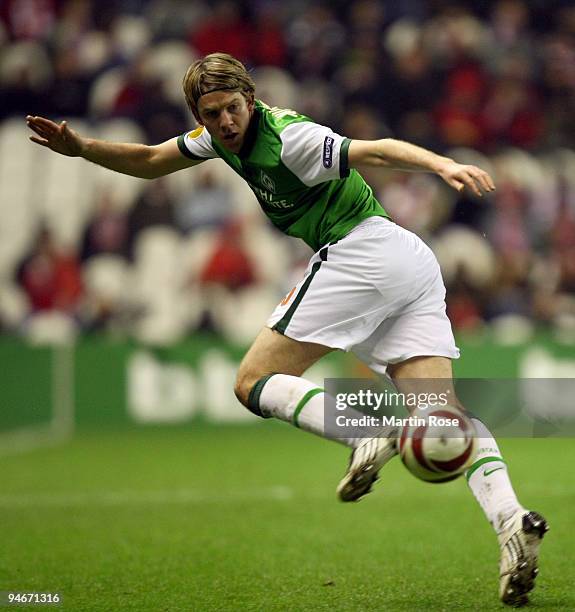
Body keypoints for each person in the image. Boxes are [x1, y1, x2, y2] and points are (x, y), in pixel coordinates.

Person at [26, 52, 547, 607]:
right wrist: (81, 148)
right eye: (213, 113)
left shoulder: (291, 138)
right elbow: (153, 159)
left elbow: (373, 150)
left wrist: (441, 164)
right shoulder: (217, 138)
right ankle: (512, 522)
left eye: (232, 108)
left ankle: (366, 432)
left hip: (362, 252)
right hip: (404, 263)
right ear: (200, 114)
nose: (226, 122)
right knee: (441, 416)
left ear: (250, 99)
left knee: (252, 381)